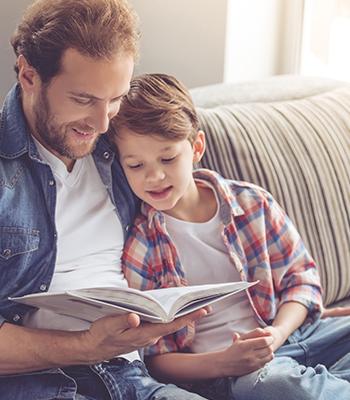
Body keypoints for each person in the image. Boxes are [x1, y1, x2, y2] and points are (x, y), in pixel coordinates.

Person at [0, 2, 209, 399]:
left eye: (115, 98)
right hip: (33, 383)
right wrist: (85, 346)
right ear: (29, 75)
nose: (102, 124)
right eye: (83, 99)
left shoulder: (122, 147)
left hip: (129, 375)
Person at [109, 73, 350, 400]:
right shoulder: (142, 248)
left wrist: (277, 333)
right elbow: (153, 357)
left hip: (296, 334)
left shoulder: (252, 204)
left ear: (196, 148)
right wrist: (223, 363)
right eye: (136, 165)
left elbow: (301, 281)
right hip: (237, 371)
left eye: (168, 158)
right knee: (276, 385)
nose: (154, 176)